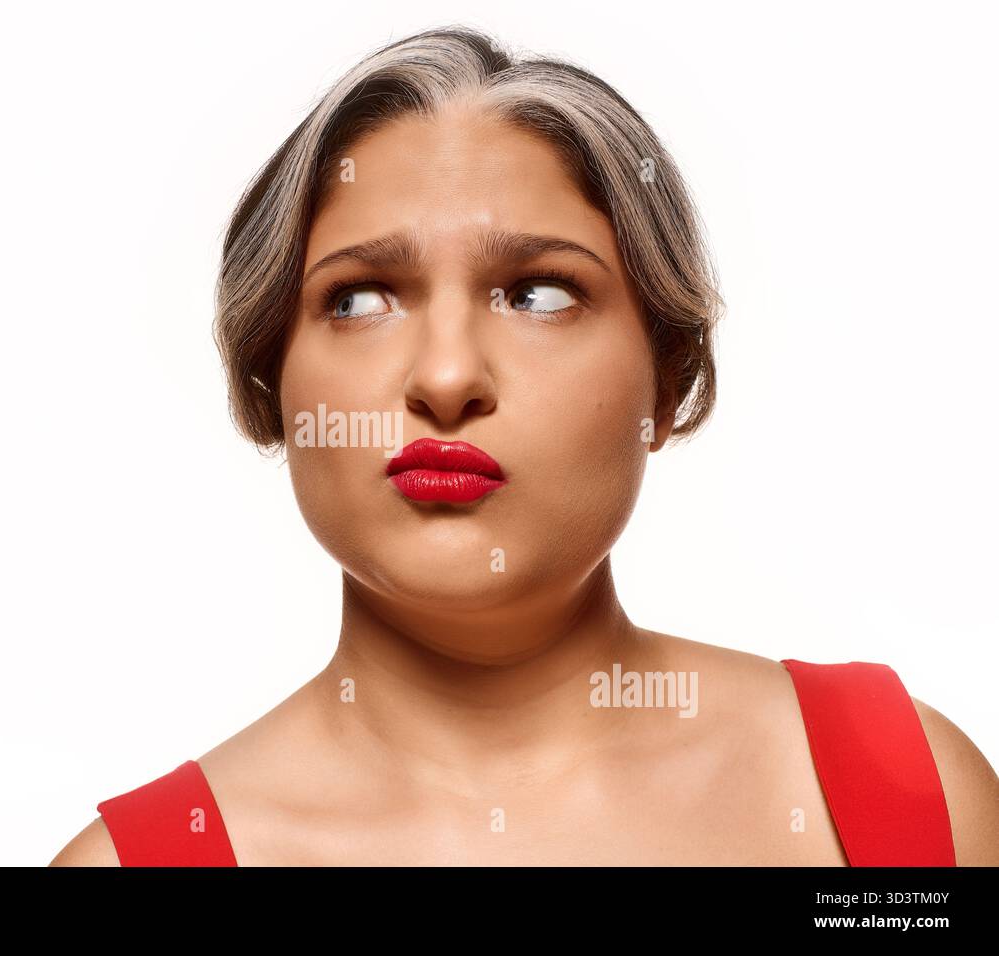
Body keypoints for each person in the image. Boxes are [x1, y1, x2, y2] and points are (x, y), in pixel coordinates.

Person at [51, 24, 999, 866]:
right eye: (360, 297)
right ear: (270, 382)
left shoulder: (903, 799)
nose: (447, 376)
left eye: (540, 293)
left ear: (668, 383)